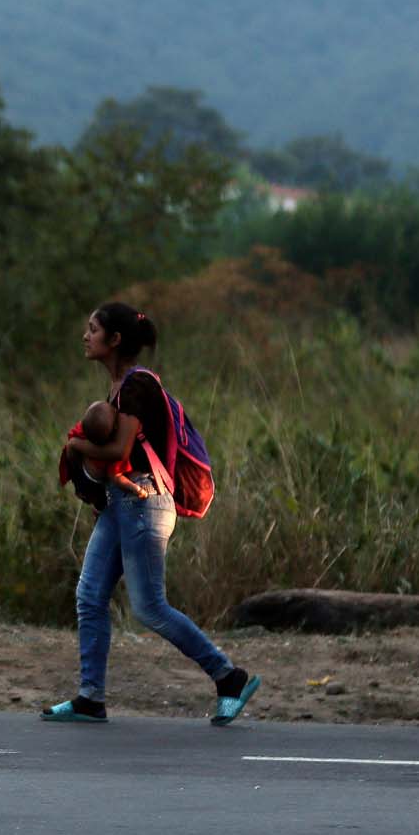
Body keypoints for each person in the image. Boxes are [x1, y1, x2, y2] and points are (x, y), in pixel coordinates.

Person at [43, 302, 257, 725]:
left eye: (92, 329)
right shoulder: (122, 388)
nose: (85, 337)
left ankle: (229, 677)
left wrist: (75, 448)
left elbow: (119, 452)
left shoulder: (138, 387)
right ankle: (90, 698)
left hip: (144, 502)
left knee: (149, 607)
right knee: (89, 597)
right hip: (124, 504)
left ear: (115, 340)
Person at [62, 400, 148, 507]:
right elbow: (116, 477)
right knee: (102, 503)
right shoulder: (111, 452)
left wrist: (77, 471)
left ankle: (85, 494)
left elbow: (70, 448)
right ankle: (97, 505)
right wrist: (136, 489)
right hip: (95, 484)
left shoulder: (81, 434)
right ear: (115, 427)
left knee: (95, 500)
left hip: (81, 476)